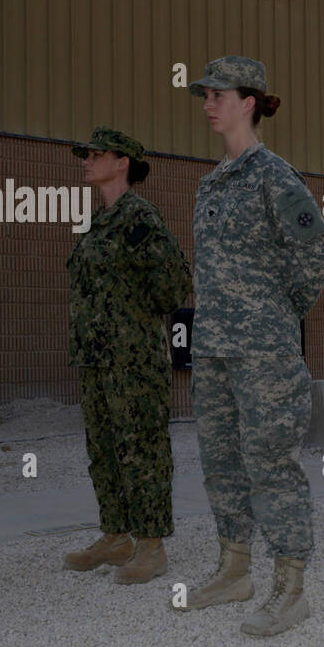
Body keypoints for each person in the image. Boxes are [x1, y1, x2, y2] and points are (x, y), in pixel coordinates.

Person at [178, 56, 324, 637]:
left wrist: (275, 315)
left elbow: (313, 256)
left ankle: (291, 589)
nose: (209, 104)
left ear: (249, 102)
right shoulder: (212, 181)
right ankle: (234, 569)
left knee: (271, 466)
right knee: (221, 462)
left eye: (218, 94)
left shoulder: (276, 177)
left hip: (264, 352)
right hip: (214, 348)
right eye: (205, 96)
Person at [64, 127, 192, 582]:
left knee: (142, 449)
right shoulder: (101, 221)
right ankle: (116, 536)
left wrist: (133, 321)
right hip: (97, 359)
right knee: (104, 449)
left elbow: (174, 285)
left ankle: (151, 545)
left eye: (97, 154)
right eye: (87, 154)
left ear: (123, 163)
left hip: (132, 361)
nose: (87, 160)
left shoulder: (140, 219)